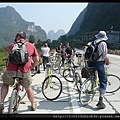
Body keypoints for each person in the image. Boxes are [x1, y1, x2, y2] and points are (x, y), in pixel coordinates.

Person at [0, 31, 39, 113]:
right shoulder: (31, 46)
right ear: (25, 38)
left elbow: (9, 59)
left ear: (17, 37)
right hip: (24, 71)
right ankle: (33, 105)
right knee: (28, 88)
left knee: (5, 84)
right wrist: (32, 67)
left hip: (11, 71)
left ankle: (2, 102)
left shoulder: (11, 45)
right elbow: (37, 60)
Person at [87, 30, 110, 109]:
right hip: (99, 63)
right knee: (103, 81)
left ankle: (92, 87)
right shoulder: (103, 44)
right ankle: (100, 100)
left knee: (93, 76)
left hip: (90, 62)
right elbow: (105, 56)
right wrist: (107, 62)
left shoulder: (91, 43)